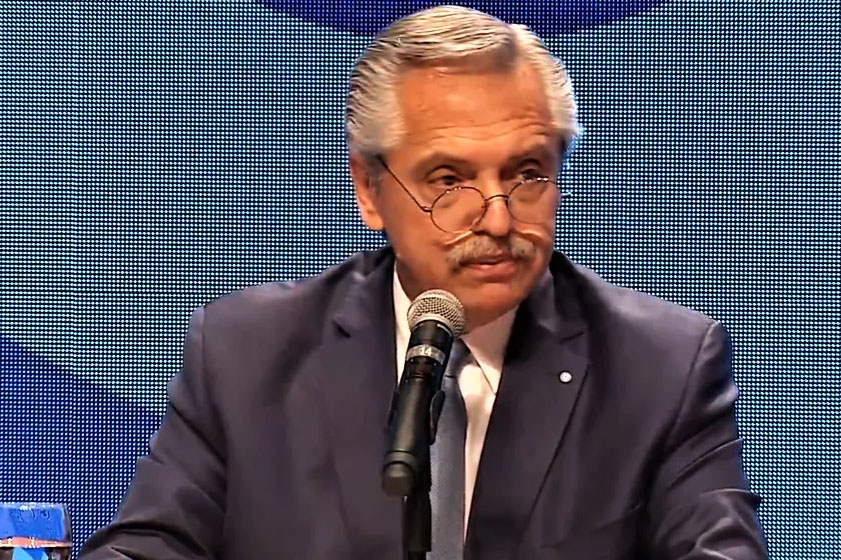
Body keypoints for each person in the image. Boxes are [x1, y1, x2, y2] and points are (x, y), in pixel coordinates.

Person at [80, 6, 767, 559]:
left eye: (527, 173)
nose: (497, 218)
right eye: (448, 180)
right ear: (369, 190)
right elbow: (152, 544)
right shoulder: (246, 353)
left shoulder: (661, 366)